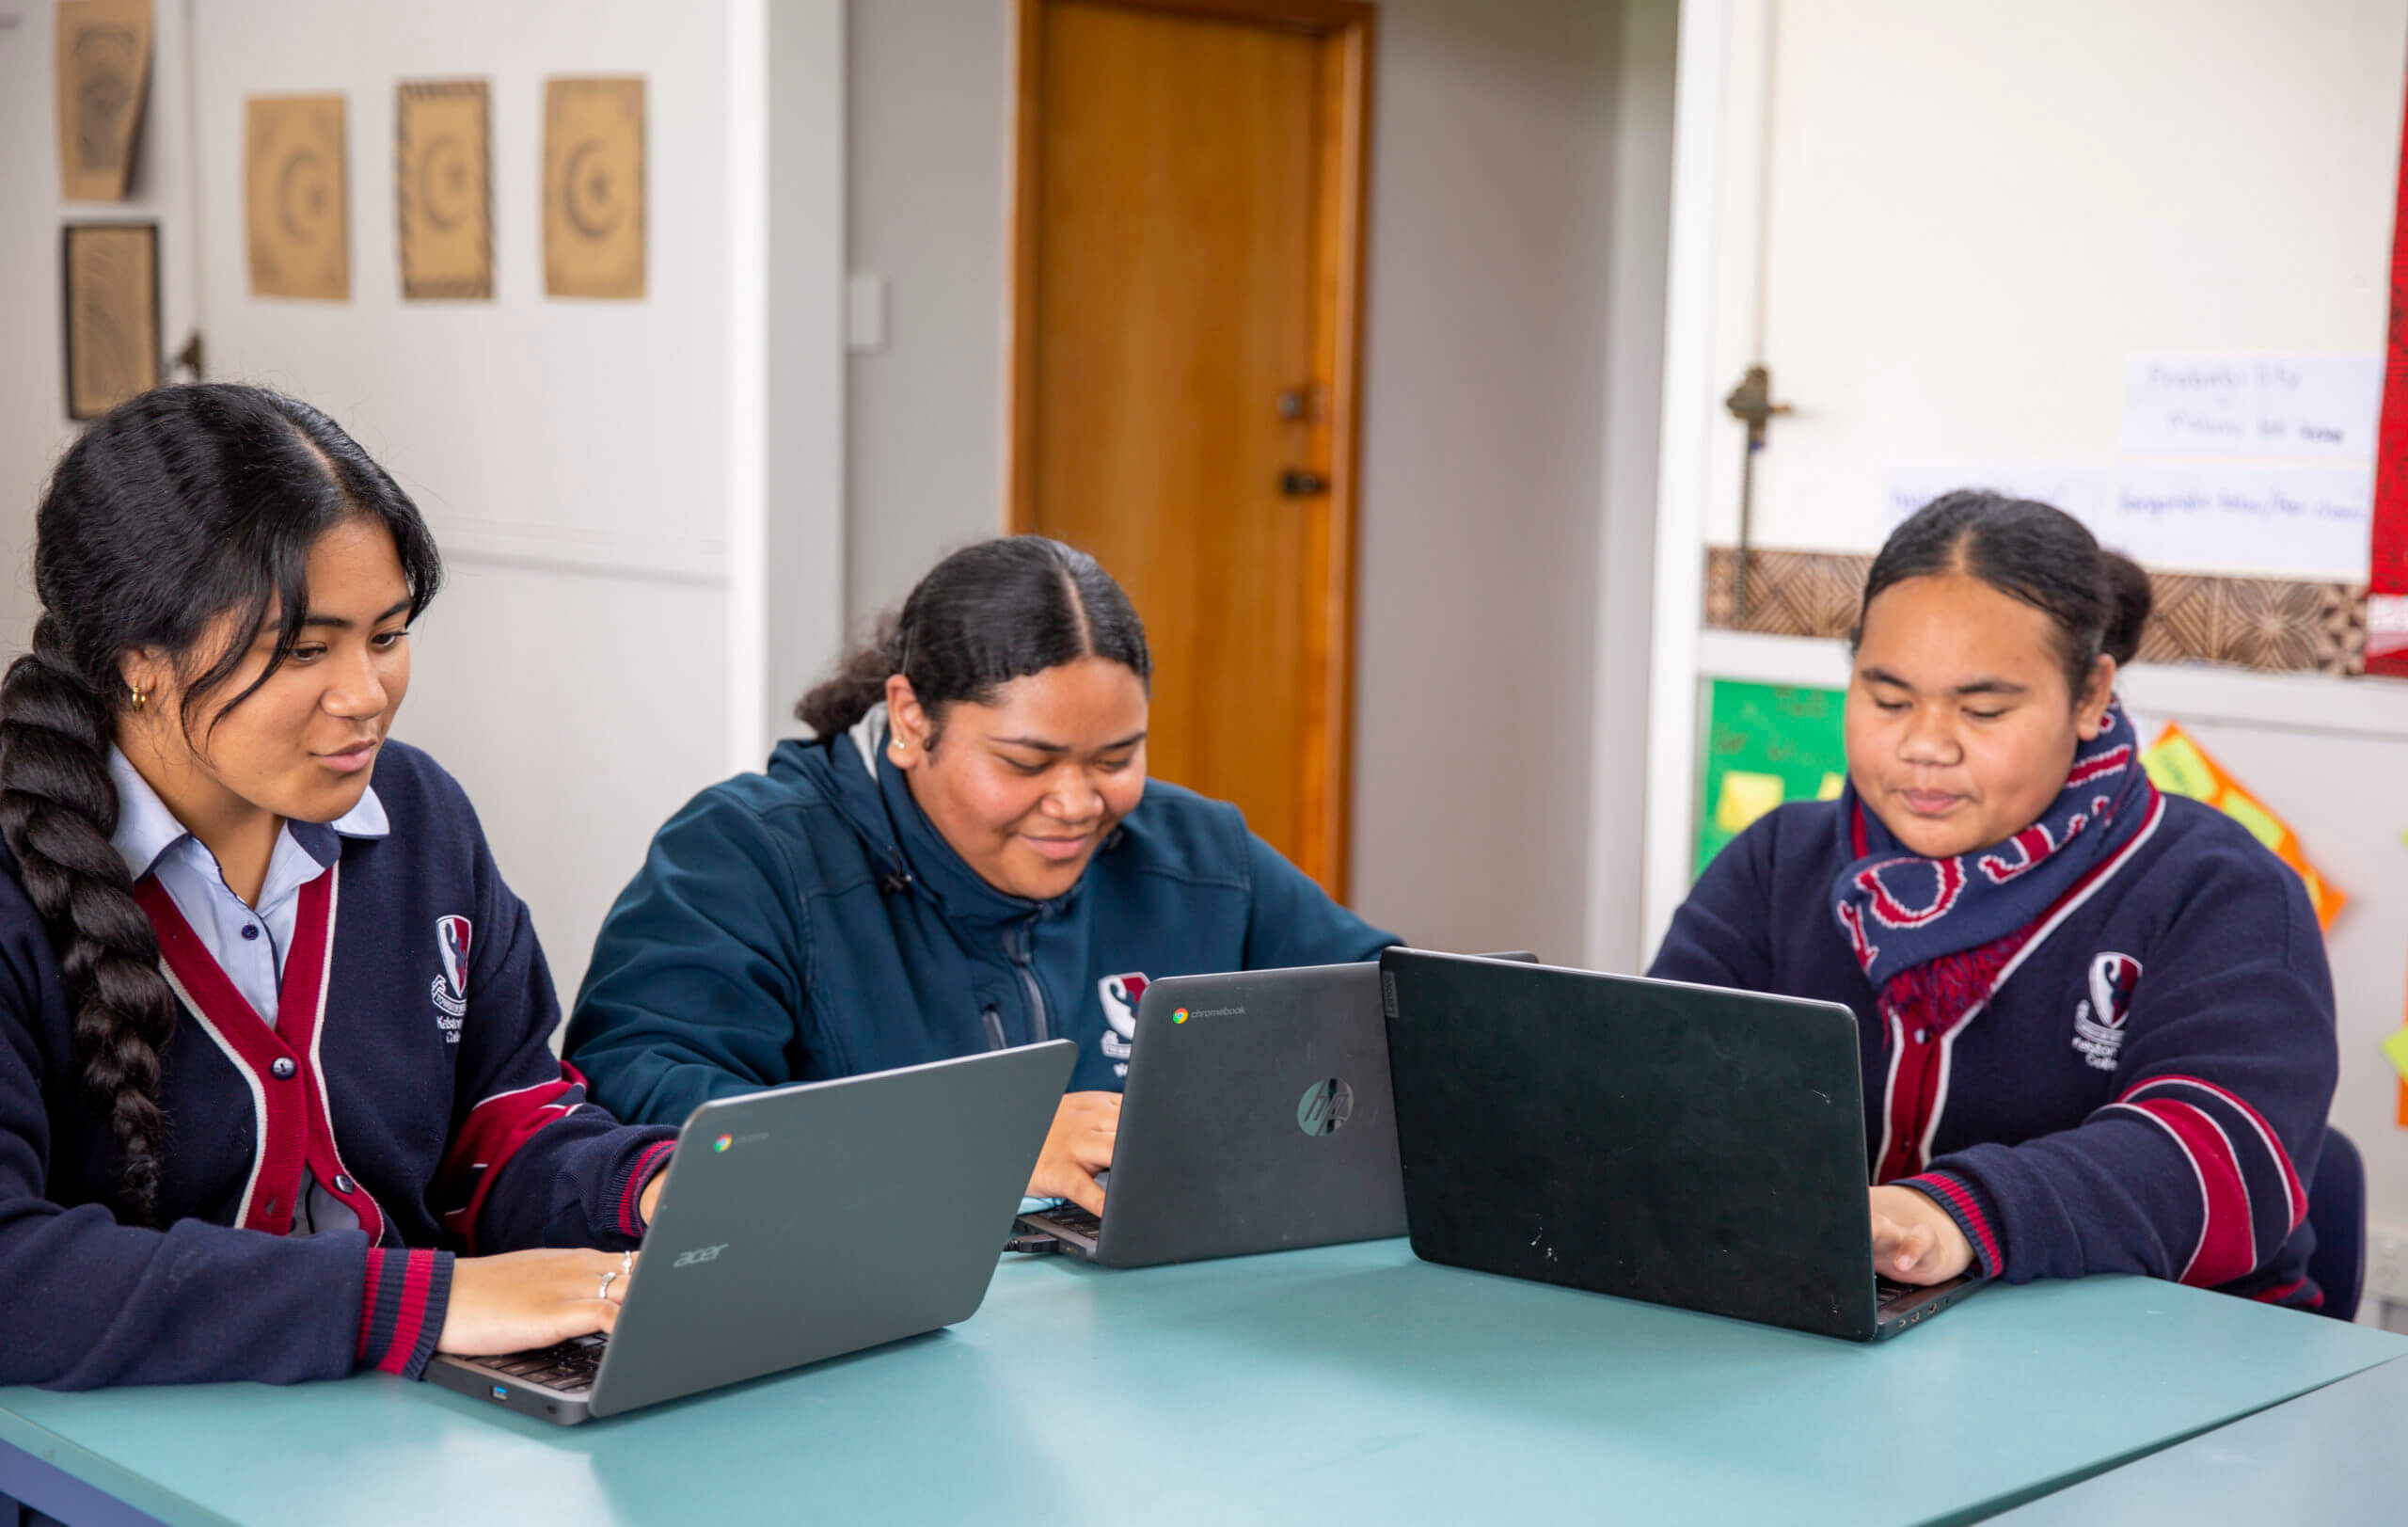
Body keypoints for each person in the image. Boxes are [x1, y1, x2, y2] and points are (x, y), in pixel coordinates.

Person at [0, 385, 677, 1390]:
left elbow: (503, 1120)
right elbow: (18, 1280)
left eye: (389, 636)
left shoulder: (420, 816)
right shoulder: (21, 880)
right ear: (139, 657)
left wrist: (650, 1189)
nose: (365, 696)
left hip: (393, 1440)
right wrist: (415, 1302)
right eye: (303, 650)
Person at [565, 536, 1399, 1214]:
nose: (1077, 803)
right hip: (862, 1331)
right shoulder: (750, 856)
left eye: (1117, 757)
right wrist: (984, 1147)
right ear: (909, 718)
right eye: (1025, 761)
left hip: (1152, 1340)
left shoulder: (1196, 854)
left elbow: (1398, 1014)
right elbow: (635, 1093)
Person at [1650, 490, 2337, 1307]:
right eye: (1888, 698)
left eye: (1982, 709)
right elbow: (1659, 1082)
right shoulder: (1779, 864)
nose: (1925, 745)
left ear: (2088, 697)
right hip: (1838, 1346)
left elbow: (2221, 1159)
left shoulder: (2222, 891)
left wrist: (1957, 1213)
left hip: (2158, 1369)